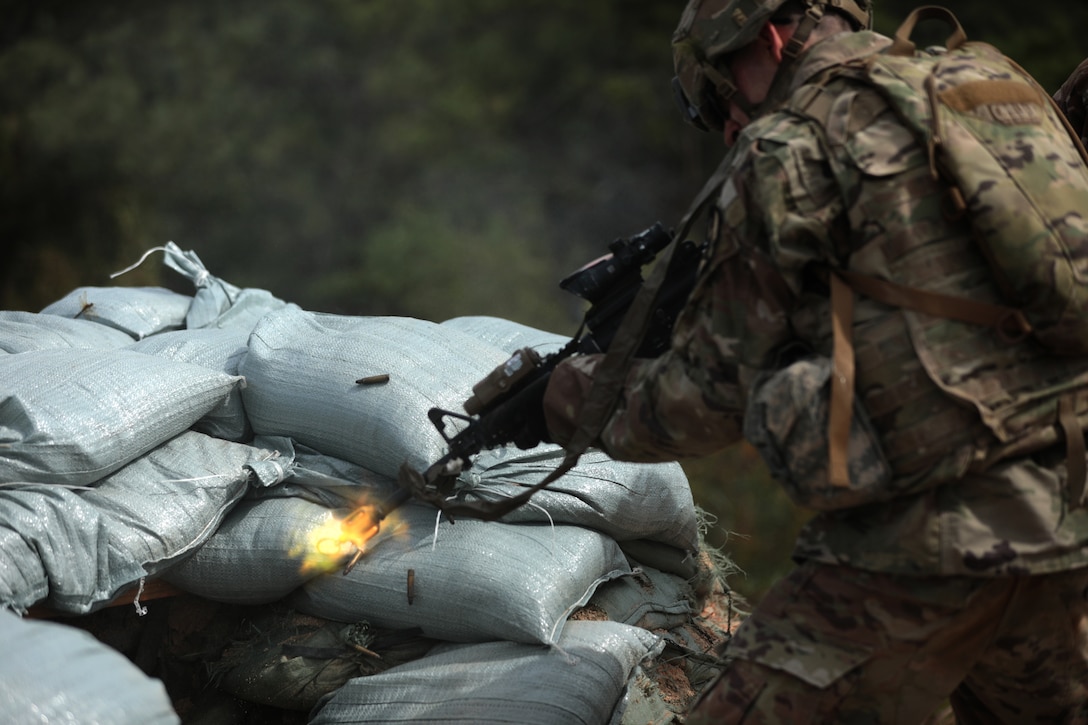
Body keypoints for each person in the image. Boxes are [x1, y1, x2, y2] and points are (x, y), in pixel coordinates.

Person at [537, 0, 1088, 721]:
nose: (727, 126)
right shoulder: (982, 82)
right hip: (1066, 524)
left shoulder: (787, 152)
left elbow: (699, 403)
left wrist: (564, 397)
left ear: (766, 39)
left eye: (717, 95)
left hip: (920, 554)